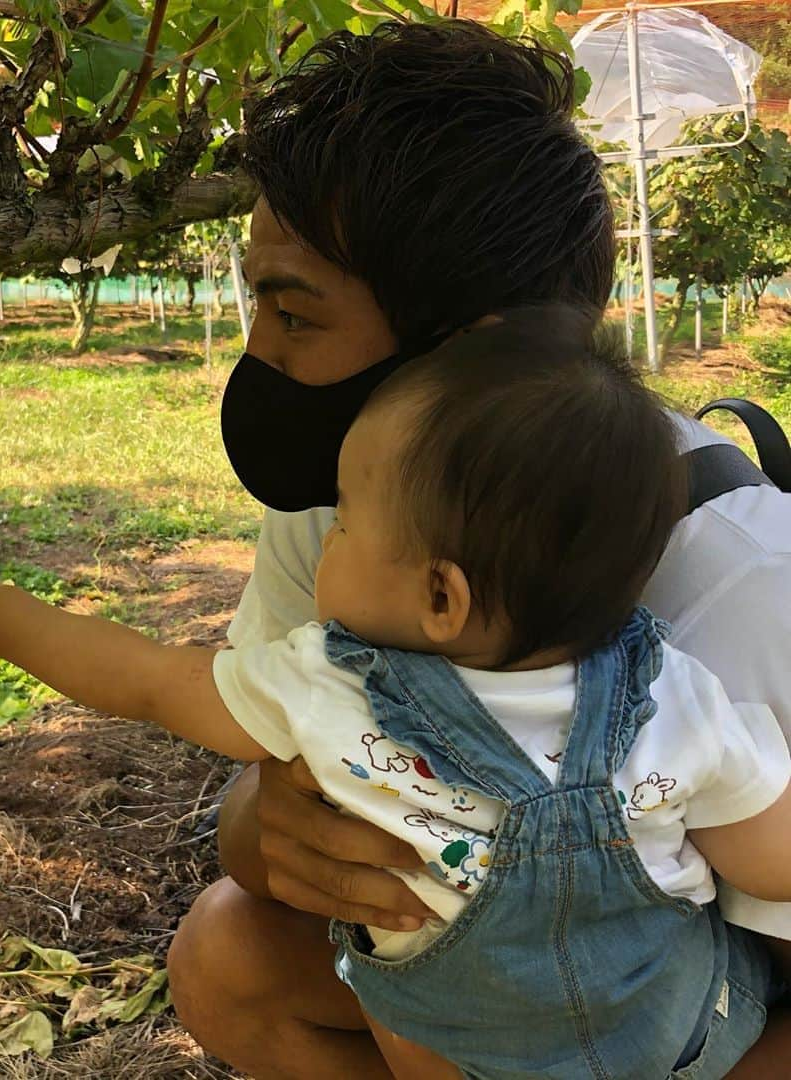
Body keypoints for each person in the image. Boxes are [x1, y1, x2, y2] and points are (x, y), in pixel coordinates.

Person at [0, 307, 790, 1078]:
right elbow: (770, 862)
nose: (325, 537)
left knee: (405, 987)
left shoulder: (331, 690)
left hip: (469, 1058)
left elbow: (143, 680)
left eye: (344, 519)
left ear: (440, 595)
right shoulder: (676, 692)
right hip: (689, 1043)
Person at [166, 18, 791, 1080]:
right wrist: (275, 826)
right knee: (227, 955)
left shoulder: (751, 598)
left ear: (480, 346)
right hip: (500, 985)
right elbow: (261, 798)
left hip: (713, 1011)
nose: (258, 356)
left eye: (294, 314)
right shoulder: (351, 517)